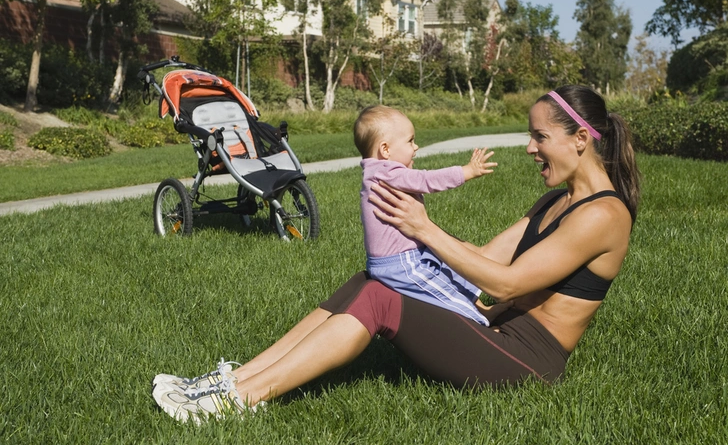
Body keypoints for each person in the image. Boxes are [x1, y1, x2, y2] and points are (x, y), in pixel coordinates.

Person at [152, 85, 641, 425]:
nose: (530, 148)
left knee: (381, 302)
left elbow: (504, 285)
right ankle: (233, 379)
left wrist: (424, 229)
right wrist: (411, 240)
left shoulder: (604, 215)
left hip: (525, 361)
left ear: (581, 139)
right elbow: (488, 257)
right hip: (494, 328)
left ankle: (238, 400)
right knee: (371, 281)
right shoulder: (557, 200)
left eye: (540, 137)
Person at [354, 105, 497, 325]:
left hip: (411, 255)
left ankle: (483, 309)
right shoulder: (384, 171)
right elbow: (425, 180)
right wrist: (467, 171)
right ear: (386, 149)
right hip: (400, 265)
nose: (416, 146)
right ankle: (481, 326)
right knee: (444, 295)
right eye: (410, 141)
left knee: (451, 272)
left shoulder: (377, 172)